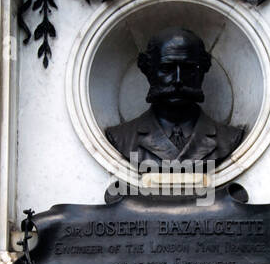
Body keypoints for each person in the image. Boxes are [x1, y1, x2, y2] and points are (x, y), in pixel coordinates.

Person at [104, 26, 245, 166]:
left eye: (188, 68)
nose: (178, 79)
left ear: (202, 70)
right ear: (148, 70)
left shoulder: (228, 138)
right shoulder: (122, 138)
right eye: (166, 68)